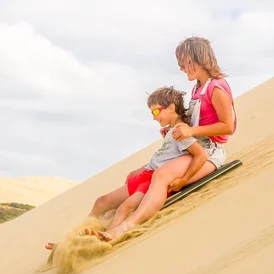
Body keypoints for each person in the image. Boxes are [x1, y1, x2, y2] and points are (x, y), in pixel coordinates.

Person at [99, 36, 237, 241]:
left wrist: (191, 132)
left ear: (198, 58)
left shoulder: (216, 87)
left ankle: (128, 225)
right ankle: (112, 219)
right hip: (189, 147)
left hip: (209, 152)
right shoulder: (198, 87)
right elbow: (198, 119)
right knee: (134, 175)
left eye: (184, 62)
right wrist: (176, 128)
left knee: (161, 175)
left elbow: (228, 126)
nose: (181, 68)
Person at [45, 85, 208, 251]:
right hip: (145, 174)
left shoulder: (181, 132)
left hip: (153, 180)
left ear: (172, 108)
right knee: (102, 202)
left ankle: (98, 242)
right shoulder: (171, 130)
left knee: (125, 207)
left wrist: (183, 179)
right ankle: (74, 238)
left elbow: (201, 155)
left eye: (156, 112)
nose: (153, 117)